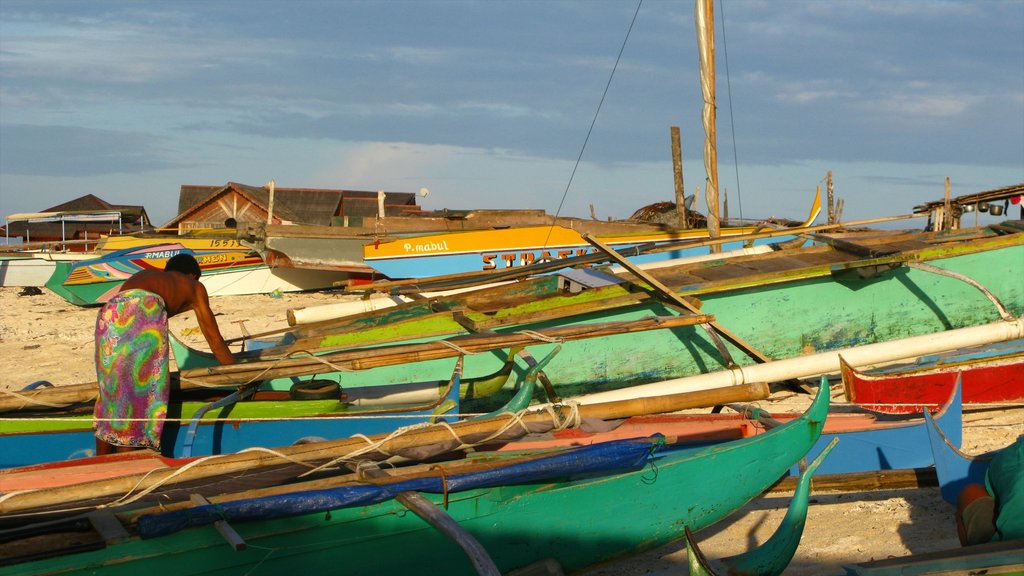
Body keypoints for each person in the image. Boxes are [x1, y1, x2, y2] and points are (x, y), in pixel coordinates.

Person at [93, 253, 235, 455]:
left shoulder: (150, 277)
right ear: (193, 275)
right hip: (141, 309)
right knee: (139, 393)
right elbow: (214, 339)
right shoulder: (194, 285)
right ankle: (128, 464)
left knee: (112, 393)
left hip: (110, 312)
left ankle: (101, 462)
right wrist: (237, 376)